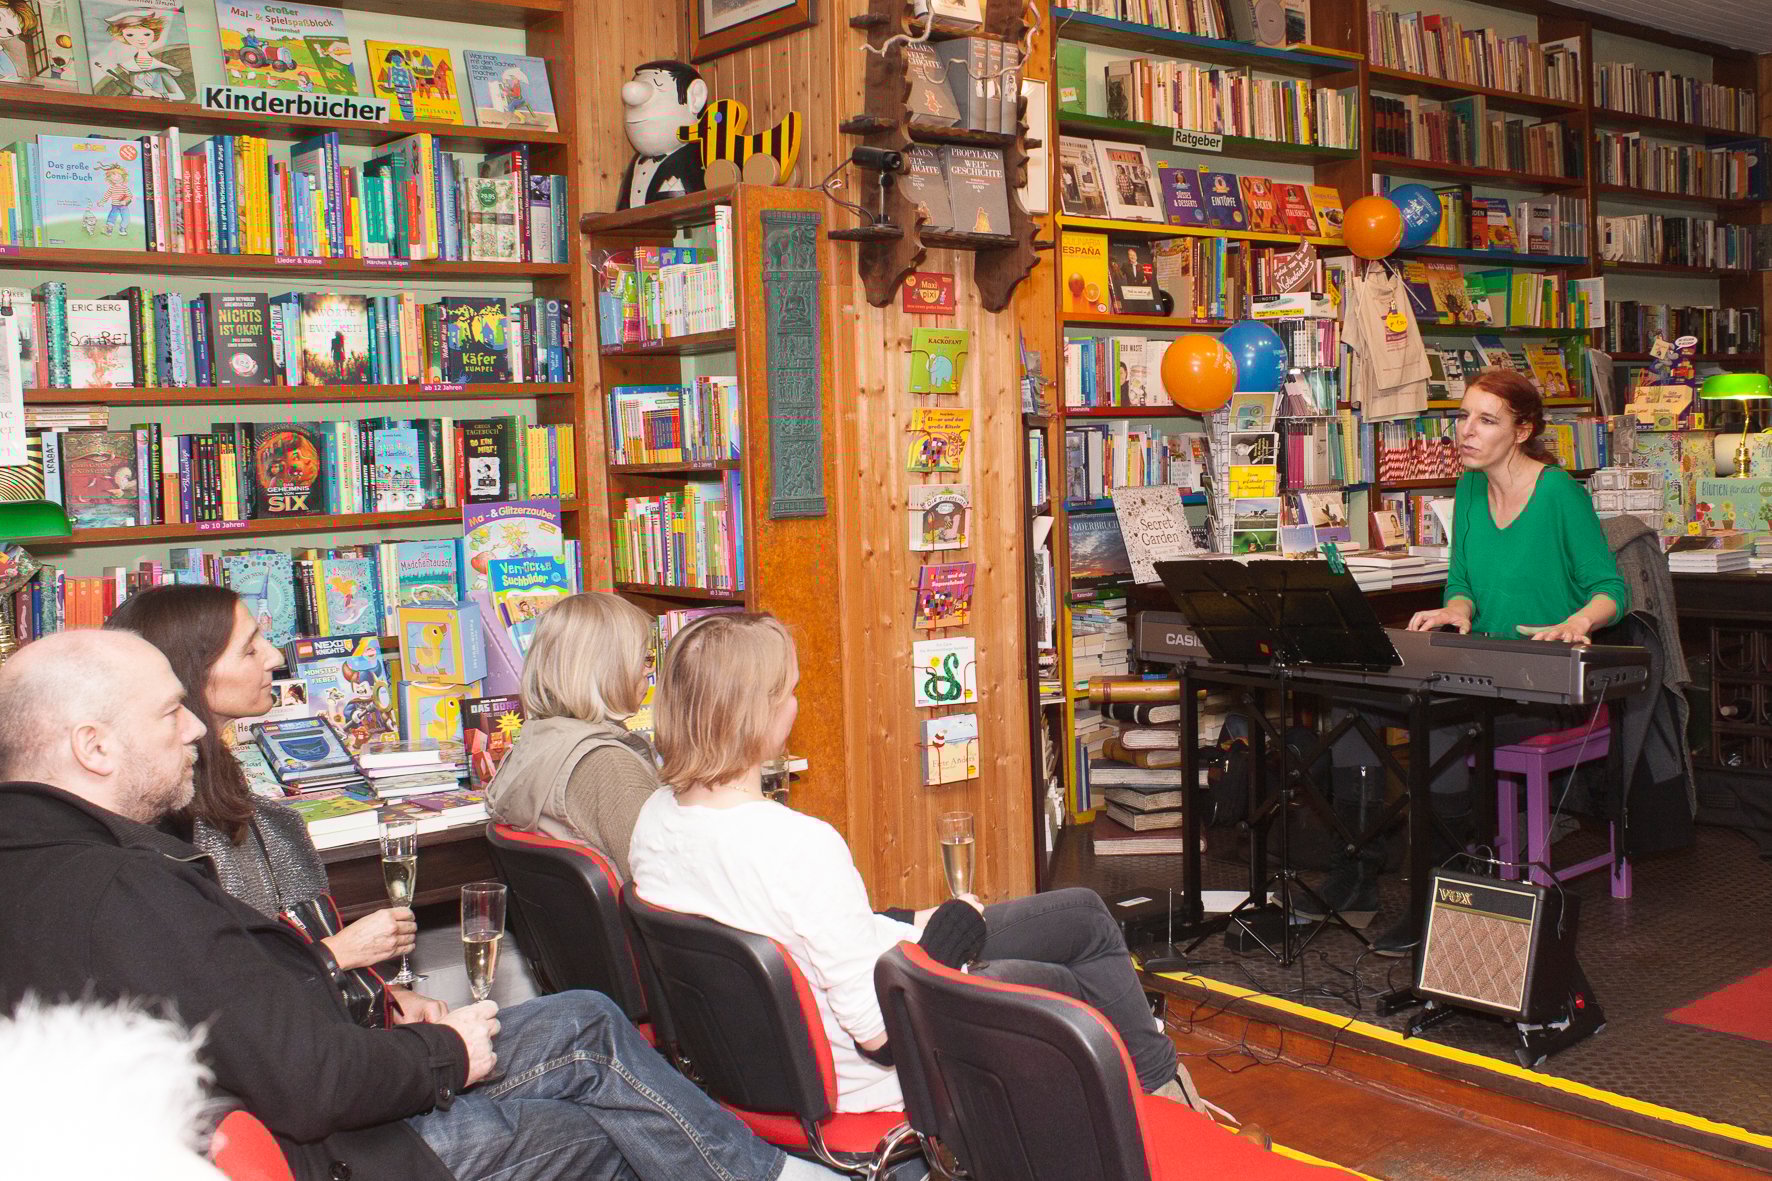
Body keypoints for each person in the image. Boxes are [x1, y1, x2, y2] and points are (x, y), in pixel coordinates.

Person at [0, 629, 843, 1181]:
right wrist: (448, 1052)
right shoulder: (124, 890)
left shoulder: (43, 863)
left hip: (340, 1083)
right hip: (351, 1149)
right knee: (611, 1130)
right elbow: (312, 1083)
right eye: (168, 711)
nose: (193, 728)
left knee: (582, 1016)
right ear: (94, 746)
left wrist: (397, 1017)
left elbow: (246, 1026)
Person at [628, 612, 1203, 1116]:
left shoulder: (654, 820)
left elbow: (789, 925)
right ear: (756, 714)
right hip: (865, 1083)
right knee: (1061, 986)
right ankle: (1166, 1115)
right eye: (788, 692)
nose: (797, 704)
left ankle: (1160, 1098)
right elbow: (881, 1035)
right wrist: (950, 931)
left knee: (1081, 913)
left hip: (753, 1065)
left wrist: (910, 921)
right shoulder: (798, 843)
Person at [1300, 370, 1630, 952]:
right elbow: (1463, 583)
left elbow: (1610, 589)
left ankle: (1446, 893)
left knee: (1441, 725)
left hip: (1544, 683)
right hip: (1481, 665)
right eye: (1462, 416)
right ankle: (1356, 872)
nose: (1466, 432)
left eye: (1486, 420)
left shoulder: (1559, 494)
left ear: (1523, 430)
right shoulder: (1471, 488)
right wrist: (1455, 610)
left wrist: (1579, 621)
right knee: (1353, 705)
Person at [105, 583, 426, 1028]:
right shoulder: (165, 842)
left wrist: (386, 995)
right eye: (250, 649)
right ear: (193, 672)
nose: (275, 657)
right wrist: (341, 955)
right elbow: (225, 1004)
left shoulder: (264, 816)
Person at [486, 591, 660, 880]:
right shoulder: (612, 768)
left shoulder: (532, 744)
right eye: (644, 659)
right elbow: (661, 886)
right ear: (608, 669)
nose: (648, 671)